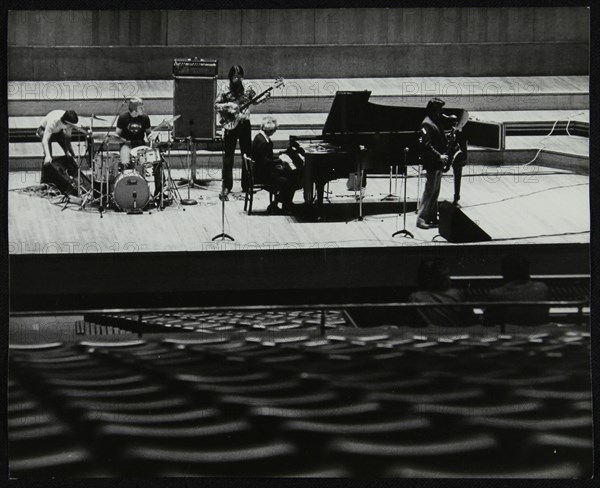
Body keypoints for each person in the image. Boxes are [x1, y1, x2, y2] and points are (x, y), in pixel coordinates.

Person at [215, 65, 268, 196]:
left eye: (240, 77)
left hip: (244, 123)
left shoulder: (248, 87)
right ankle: (227, 186)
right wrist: (228, 106)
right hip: (230, 124)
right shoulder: (224, 88)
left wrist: (264, 98)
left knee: (247, 154)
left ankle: (247, 185)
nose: (237, 80)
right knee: (228, 156)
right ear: (230, 77)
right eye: (235, 77)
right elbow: (216, 105)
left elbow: (254, 101)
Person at [251, 116, 301, 214]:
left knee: (289, 175)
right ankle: (282, 205)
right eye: (275, 129)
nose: (275, 131)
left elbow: (264, 158)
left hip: (259, 171)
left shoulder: (259, 137)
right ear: (270, 130)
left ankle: (282, 203)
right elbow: (265, 162)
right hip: (262, 176)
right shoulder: (264, 142)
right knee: (290, 180)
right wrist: (279, 161)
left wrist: (278, 159)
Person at [115, 97, 162, 199]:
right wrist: (123, 141)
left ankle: (159, 191)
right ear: (135, 109)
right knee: (124, 162)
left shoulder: (145, 118)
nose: (143, 109)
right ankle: (126, 191)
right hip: (126, 145)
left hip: (141, 146)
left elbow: (149, 133)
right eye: (141, 107)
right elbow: (116, 136)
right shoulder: (123, 118)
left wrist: (152, 137)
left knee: (158, 161)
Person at [485, 253, 550, 326]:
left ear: (504, 272)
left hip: (510, 334)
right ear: (527, 270)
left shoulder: (496, 295)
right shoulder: (542, 288)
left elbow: (488, 322)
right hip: (540, 333)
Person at [409, 259, 477, 327]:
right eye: (445, 276)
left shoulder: (415, 297)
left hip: (435, 334)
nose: (448, 278)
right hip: (455, 334)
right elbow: (471, 321)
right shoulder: (457, 294)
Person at [416, 98, 449, 229]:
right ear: (433, 110)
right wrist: (439, 156)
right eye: (439, 110)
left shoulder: (435, 122)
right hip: (432, 162)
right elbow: (426, 145)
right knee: (429, 191)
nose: (441, 112)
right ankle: (421, 218)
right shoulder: (427, 124)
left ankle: (432, 217)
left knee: (435, 191)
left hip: (438, 163)